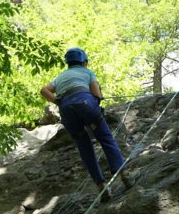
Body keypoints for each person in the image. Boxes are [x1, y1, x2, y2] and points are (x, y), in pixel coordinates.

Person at [40, 47, 139, 202]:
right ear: (84, 62)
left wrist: (59, 101)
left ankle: (101, 187)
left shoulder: (60, 77)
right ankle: (124, 175)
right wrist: (97, 101)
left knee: (83, 145)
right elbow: (96, 94)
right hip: (86, 103)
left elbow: (44, 90)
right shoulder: (87, 73)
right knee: (106, 138)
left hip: (66, 110)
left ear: (68, 63)